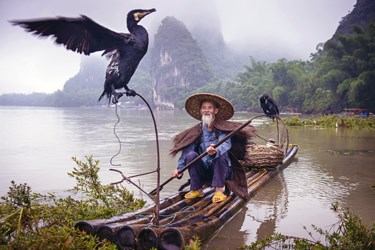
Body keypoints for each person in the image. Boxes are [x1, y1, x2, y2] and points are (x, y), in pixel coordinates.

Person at [170, 93, 257, 203]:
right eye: (204, 108)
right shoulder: (197, 130)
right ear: (200, 111)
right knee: (191, 155)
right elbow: (187, 150)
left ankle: (219, 190)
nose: (206, 110)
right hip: (204, 170)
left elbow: (226, 144)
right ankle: (197, 189)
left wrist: (215, 150)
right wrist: (179, 169)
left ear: (215, 111)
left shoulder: (222, 128)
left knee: (221, 155)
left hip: (221, 171)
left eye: (209, 108)